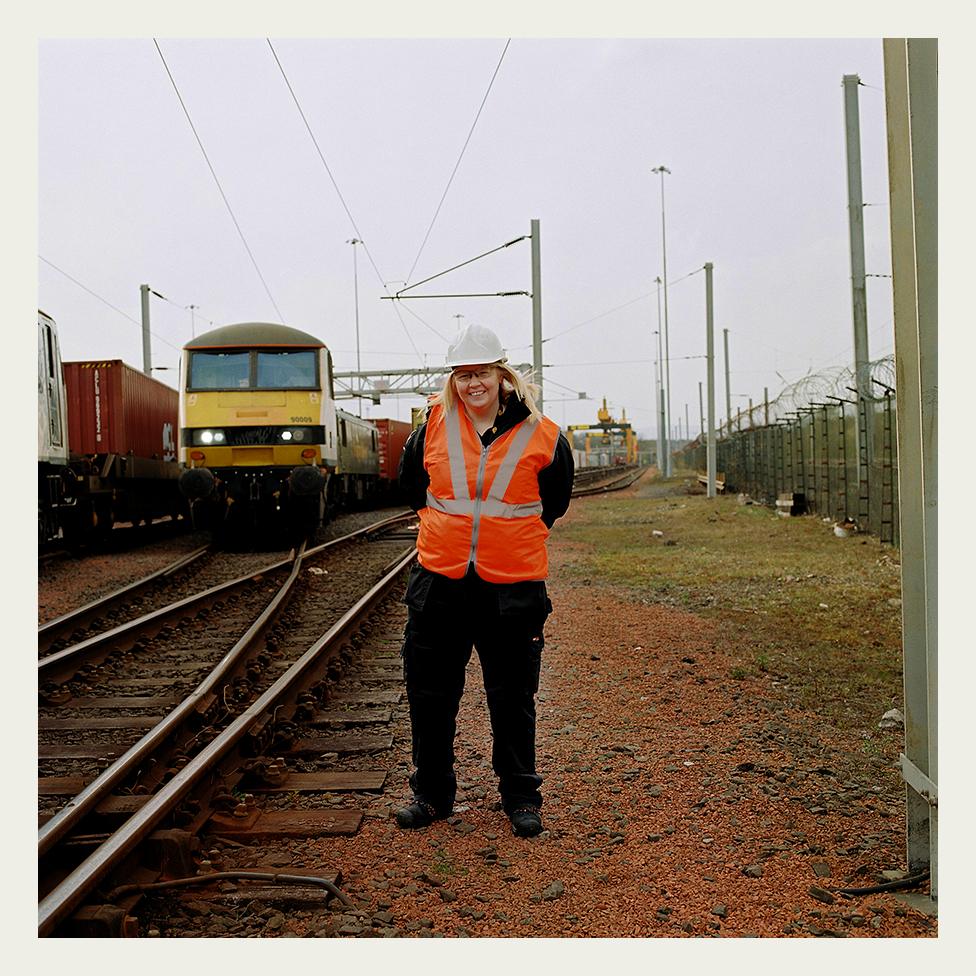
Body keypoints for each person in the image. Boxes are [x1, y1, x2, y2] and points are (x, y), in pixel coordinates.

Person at [395, 323, 574, 837]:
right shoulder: (430, 427)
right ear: (454, 379)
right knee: (430, 694)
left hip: (512, 588)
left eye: (482, 374)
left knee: (512, 695)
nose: (472, 384)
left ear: (503, 375)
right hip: (441, 583)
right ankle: (431, 796)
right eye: (462, 375)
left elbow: (554, 503)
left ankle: (520, 797)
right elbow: (413, 488)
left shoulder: (543, 434)